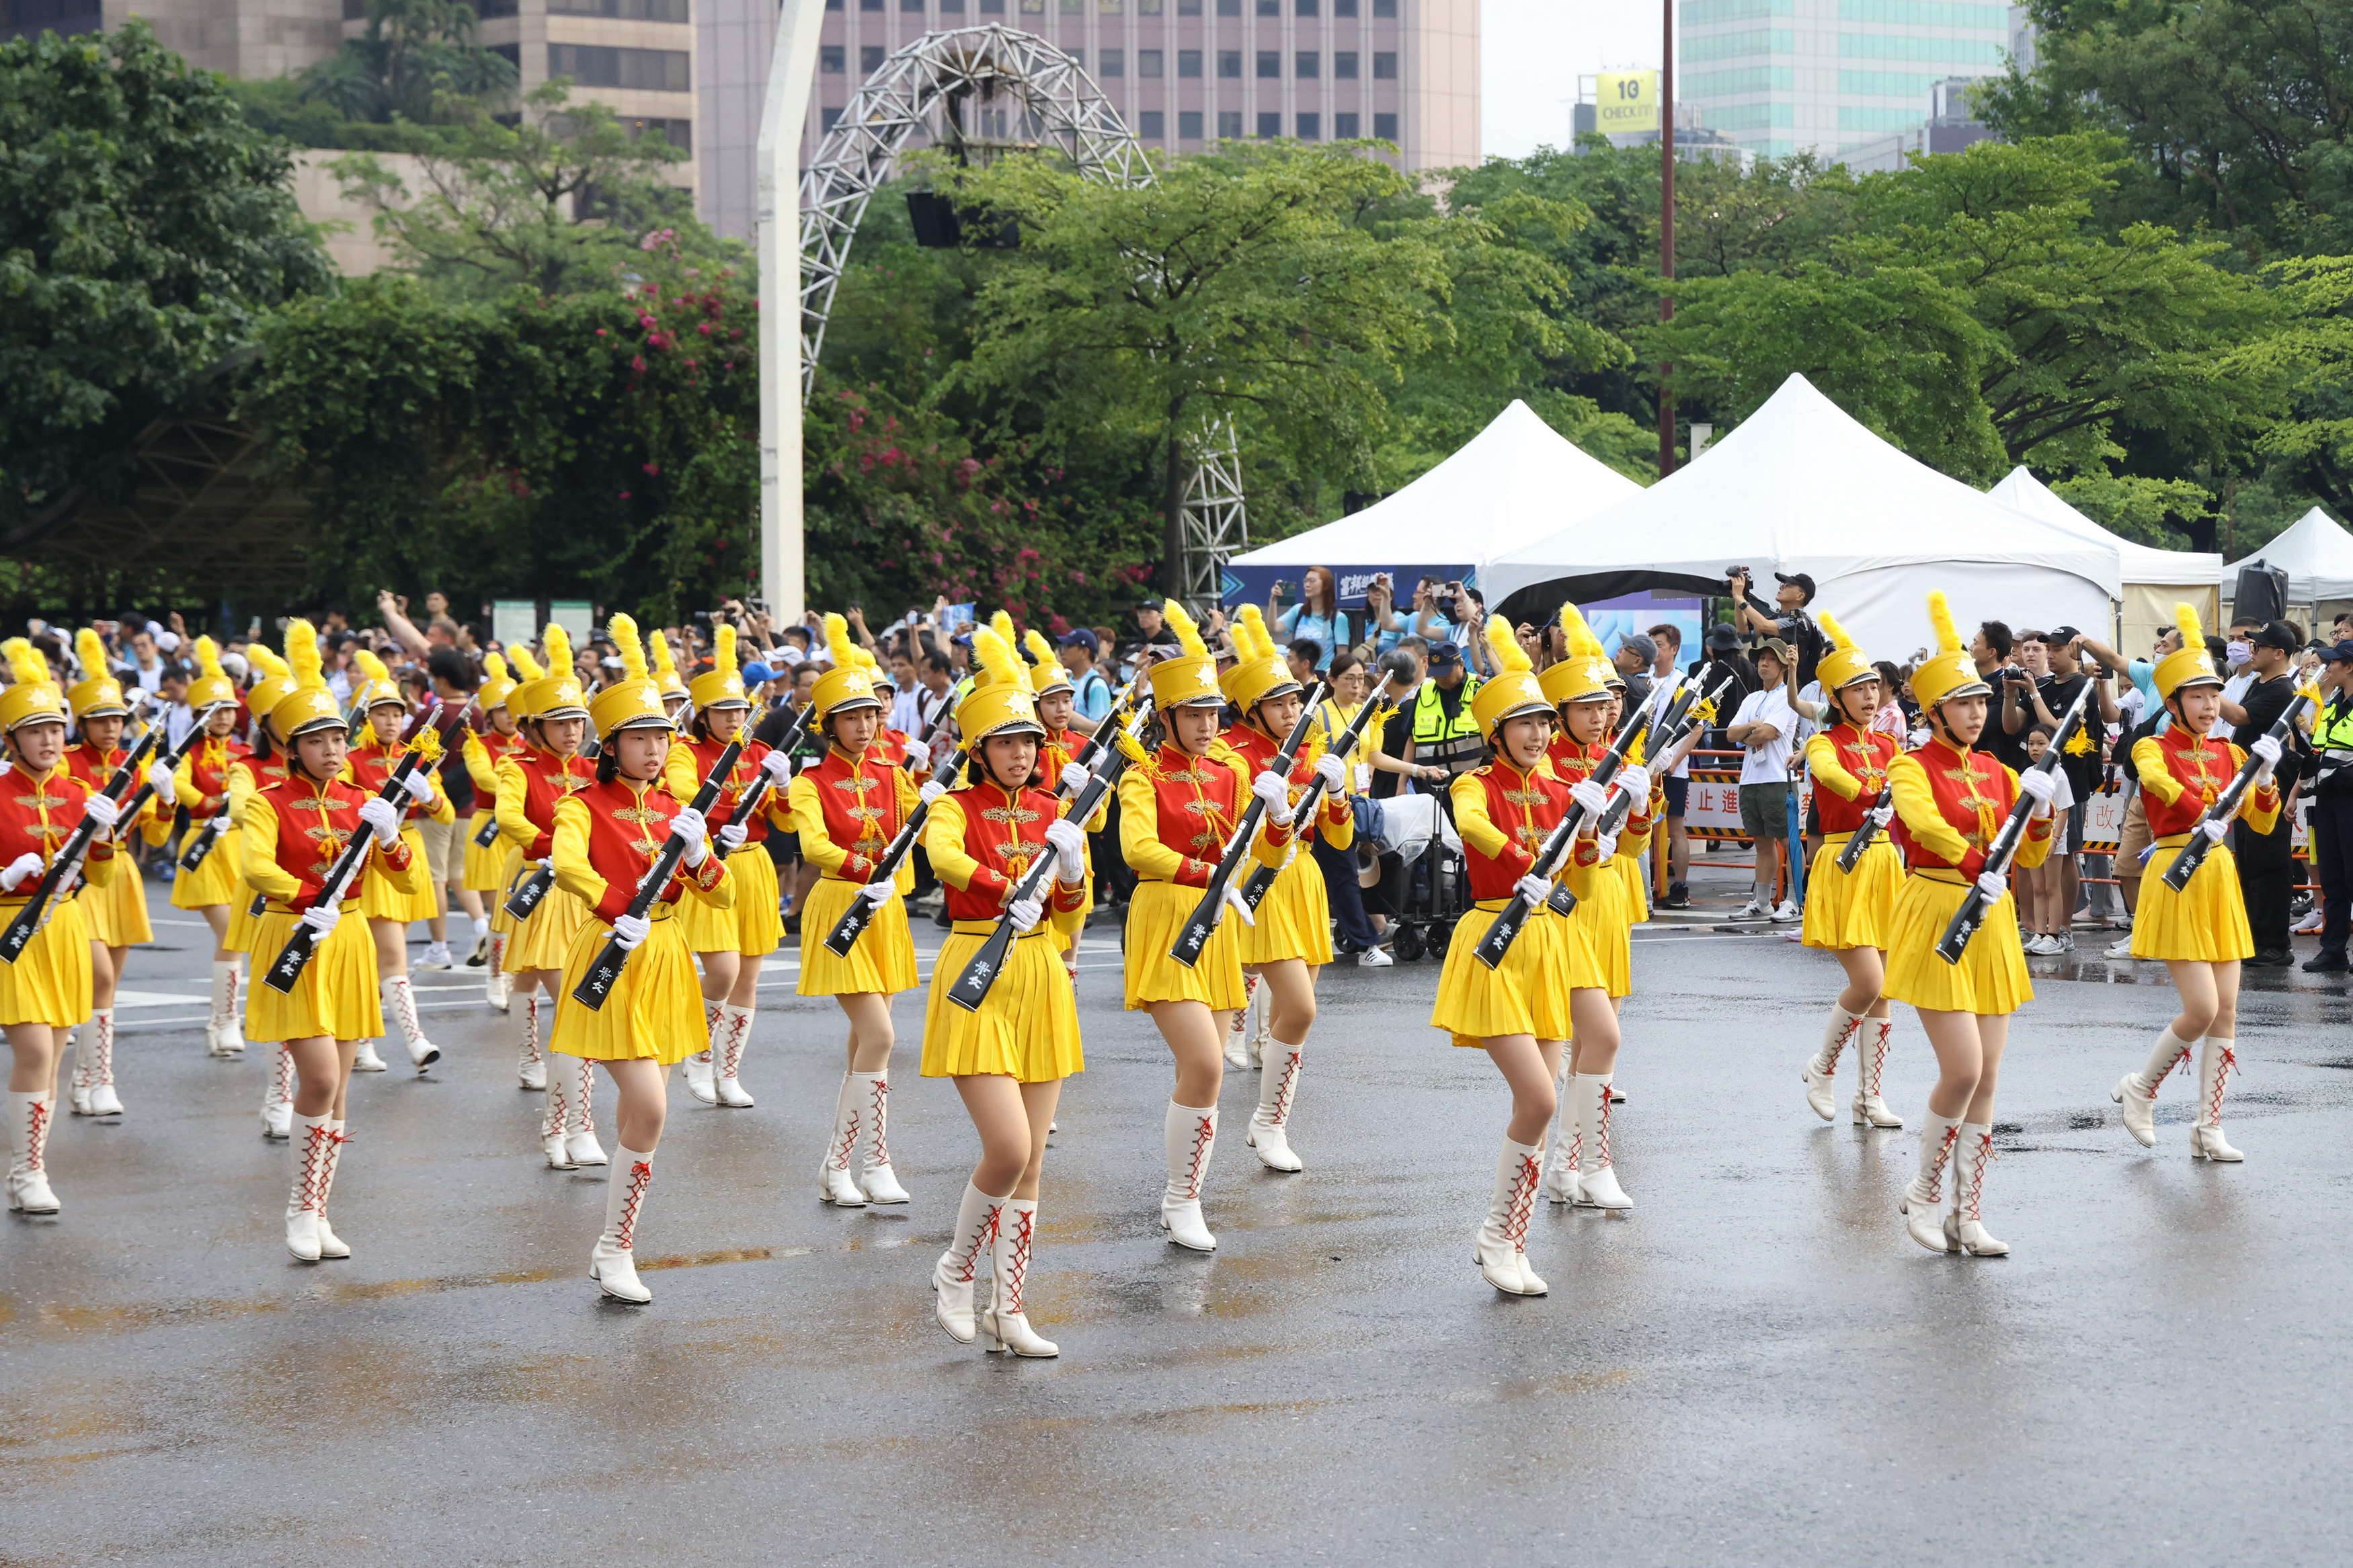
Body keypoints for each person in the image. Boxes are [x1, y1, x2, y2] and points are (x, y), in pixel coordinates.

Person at [539, 616, 731, 1303]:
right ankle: (615, 1245)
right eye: (640, 737)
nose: (654, 749)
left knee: (642, 1113)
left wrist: (703, 853)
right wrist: (615, 901)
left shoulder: (680, 809)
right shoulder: (582, 804)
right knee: (650, 1104)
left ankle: (613, 1244)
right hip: (613, 952)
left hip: (667, 953)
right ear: (611, 744)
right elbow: (565, 865)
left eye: (661, 737)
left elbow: (720, 894)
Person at [921, 627, 1089, 1356]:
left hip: (1040, 971)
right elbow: (942, 855)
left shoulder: (1054, 805)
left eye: (1027, 738)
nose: (1020, 751)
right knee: (1009, 1144)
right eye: (1004, 740)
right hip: (974, 969)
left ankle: (1008, 1307)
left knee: (1034, 1160)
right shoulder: (954, 803)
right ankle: (955, 1268)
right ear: (978, 748)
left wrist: (1074, 872)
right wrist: (998, 886)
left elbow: (1068, 912)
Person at [240, 621, 432, 1260]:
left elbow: (399, 879)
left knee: (342, 1085)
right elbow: (255, 865)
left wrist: (390, 836)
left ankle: (320, 1210)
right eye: (316, 741)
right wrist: (302, 895)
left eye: (336, 739)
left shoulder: (362, 799)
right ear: (292, 749)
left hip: (348, 938)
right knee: (318, 1077)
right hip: (294, 933)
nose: (330, 749)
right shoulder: (268, 799)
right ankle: (297, 1208)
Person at [1882, 592, 2058, 1257]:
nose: (1976, 712)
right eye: (1962, 703)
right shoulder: (1909, 764)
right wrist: (1970, 855)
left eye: (1981, 702)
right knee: (1960, 1068)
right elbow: (1921, 821)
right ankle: (1922, 1194)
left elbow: (2033, 854)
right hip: (1937, 906)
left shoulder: (1997, 768)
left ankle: (1966, 1212)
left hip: (1992, 918)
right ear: (1933, 712)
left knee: (1986, 1076)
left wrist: (2038, 812)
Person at [1116, 600, 1293, 1253]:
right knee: (1202, 1062)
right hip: (1166, 915)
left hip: (1215, 921)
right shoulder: (1141, 773)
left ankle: (1185, 1192)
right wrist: (1202, 872)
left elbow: (1263, 854)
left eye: (1212, 712)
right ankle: (1179, 1198)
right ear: (1165, 718)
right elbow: (1138, 850)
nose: (1204, 724)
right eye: (1191, 714)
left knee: (1207, 1069)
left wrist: (1275, 818)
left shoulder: (1231, 769)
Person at [1428, 618, 1585, 1293]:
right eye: (1522, 723)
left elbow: (1593, 855)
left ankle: (1509, 1240)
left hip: (1546, 943)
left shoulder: (1558, 792)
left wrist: (1620, 822)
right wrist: (1520, 857)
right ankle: (1496, 1233)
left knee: (1538, 1105)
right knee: (1539, 1097)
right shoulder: (1475, 782)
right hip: (1492, 938)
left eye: (1543, 722)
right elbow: (1468, 823)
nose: (1537, 733)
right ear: (1495, 732)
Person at [2109, 606, 2286, 1163]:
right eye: (2197, 696)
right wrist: (2202, 807)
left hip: (2218, 876)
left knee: (2227, 1010)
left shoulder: (2232, 751)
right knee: (2201, 1008)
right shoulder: (2151, 747)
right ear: (2172, 702)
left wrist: (2262, 778)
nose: (2210, 706)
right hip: (2176, 871)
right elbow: (2157, 783)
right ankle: (2141, 1087)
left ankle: (2209, 1126)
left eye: (2214, 696)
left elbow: (2261, 820)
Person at [1218, 607, 1354, 1173]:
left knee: (1292, 1018)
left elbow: (1339, 837)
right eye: (1278, 703)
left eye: (1295, 701)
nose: (1292, 711)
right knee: (1300, 1007)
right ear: (1252, 708)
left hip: (1304, 878)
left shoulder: (1306, 751)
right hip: (1259, 879)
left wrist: (1339, 791)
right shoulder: (1229, 754)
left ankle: (1272, 1120)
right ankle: (1268, 1122)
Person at [790, 619, 920, 1208]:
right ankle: (872, 1160)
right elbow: (816, 847)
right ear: (830, 726)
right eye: (851, 717)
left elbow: (927, 827)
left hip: (885, 911)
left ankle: (841, 1164)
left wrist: (943, 798)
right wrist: (869, 870)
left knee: (864, 1043)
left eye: (870, 714)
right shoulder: (810, 782)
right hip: (842, 906)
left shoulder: (895, 777)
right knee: (881, 1035)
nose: (864, 725)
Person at [1530, 606, 1653, 1210]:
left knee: (1597, 1041)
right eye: (1589, 705)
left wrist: (1638, 807)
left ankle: (1572, 1164)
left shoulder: (1618, 758)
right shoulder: (1545, 763)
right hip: (1561, 909)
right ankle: (1578, 1163)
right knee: (1583, 1042)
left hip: (1604, 897)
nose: (1604, 712)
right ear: (1559, 712)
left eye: (1607, 703)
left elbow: (1633, 847)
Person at [1, 638, 126, 1214]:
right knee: (31, 1050)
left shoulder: (80, 793)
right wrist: (5, 877)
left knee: (50, 1057)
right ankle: (28, 1172)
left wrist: (105, 835)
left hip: (65, 925)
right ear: (11, 739)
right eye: (34, 730)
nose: (49, 740)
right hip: (12, 927)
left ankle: (29, 1168)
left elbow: (97, 875)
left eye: (55, 728)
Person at [668, 622, 794, 1108]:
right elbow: (682, 795)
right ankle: (698, 1054)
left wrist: (781, 786)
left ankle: (729, 1070)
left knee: (749, 976)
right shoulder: (687, 753)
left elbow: (784, 819)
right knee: (721, 969)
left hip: (753, 864)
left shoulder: (760, 753)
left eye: (739, 709)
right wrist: (719, 824)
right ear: (703, 716)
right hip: (709, 864)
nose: (732, 718)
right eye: (722, 711)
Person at [494, 630, 602, 1165]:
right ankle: (572, 1119)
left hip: (582, 890)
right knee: (566, 999)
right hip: (540, 881)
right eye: (560, 723)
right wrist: (552, 845)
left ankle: (558, 1126)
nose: (571, 732)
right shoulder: (519, 766)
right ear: (536, 726)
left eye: (577, 722)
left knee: (564, 999)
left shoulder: (592, 770)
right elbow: (508, 816)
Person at [1797, 614, 1907, 1128]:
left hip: (1885, 862)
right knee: (1868, 980)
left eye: (1873, 687)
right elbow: (1829, 776)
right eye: (1856, 689)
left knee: (1885, 988)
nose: (1869, 696)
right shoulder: (1824, 741)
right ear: (1835, 698)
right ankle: (1822, 1066)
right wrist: (1873, 794)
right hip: (1845, 860)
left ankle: (1870, 1095)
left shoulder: (1889, 746)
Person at [58, 628, 171, 1117]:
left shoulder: (133, 762)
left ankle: (86, 1080)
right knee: (98, 974)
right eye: (100, 720)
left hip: (120, 871)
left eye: (118, 719)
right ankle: (100, 1077)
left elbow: (161, 838)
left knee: (108, 986)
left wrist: (165, 798)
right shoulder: (63, 763)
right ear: (82, 722)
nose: (111, 728)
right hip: (80, 874)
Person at [346, 651, 452, 1074]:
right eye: (381, 714)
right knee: (391, 954)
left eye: (396, 714)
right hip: (373, 857)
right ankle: (414, 1040)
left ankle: (361, 1041)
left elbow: (443, 813)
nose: (390, 721)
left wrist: (427, 795)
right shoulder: (352, 760)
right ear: (368, 718)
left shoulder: (419, 755)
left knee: (382, 957)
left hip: (409, 852)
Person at [167, 638, 251, 1064]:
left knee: (234, 936)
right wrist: (207, 802)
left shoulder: (244, 752)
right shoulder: (188, 752)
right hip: (204, 842)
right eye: (215, 711)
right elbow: (177, 784)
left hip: (238, 846)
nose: (224, 717)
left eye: (229, 710)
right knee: (231, 932)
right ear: (199, 715)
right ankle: (225, 1019)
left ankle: (221, 1018)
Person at [2233, 620, 2305, 967]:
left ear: (2279, 653)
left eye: (2258, 647)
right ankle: (2254, 938)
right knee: (2248, 862)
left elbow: (2243, 717)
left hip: (2269, 785)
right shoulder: (2257, 683)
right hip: (2246, 788)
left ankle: (2274, 944)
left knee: (2269, 864)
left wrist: (2205, 695)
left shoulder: (2281, 689)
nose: (2252, 650)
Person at [459, 653, 528, 1009]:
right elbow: (483, 777)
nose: (509, 716)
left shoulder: (530, 743)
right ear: (489, 714)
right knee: (500, 910)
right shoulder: (476, 743)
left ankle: (513, 975)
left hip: (521, 828)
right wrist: (518, 782)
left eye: (512, 709)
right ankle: (496, 975)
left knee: (520, 908)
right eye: (501, 710)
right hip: (489, 823)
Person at [1726, 639, 1798, 921]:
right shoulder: (1751, 699)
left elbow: (1768, 733)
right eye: (1761, 659)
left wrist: (1749, 732)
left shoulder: (1787, 697)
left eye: (1770, 659)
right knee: (1762, 843)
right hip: (1751, 778)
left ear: (1782, 665)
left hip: (1778, 777)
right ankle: (1762, 901)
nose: (1763, 663)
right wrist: (1750, 729)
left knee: (1787, 840)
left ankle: (1793, 899)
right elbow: (1731, 734)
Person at [2306, 641, 2353, 975]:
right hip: (2329, 800)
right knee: (2334, 878)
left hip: (2351, 800)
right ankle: (2334, 949)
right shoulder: (2334, 704)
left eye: (2334, 662)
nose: (2329, 668)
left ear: (2349, 666)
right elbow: (2319, 753)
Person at [1726, 569, 1827, 688]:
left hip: (1794, 691)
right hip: (1775, 688)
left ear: (1800, 595)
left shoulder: (1798, 619)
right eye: (1782, 584)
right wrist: (1741, 596)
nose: (1781, 587)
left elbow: (1764, 625)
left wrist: (1739, 598)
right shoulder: (1778, 617)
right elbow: (1743, 629)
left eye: (1787, 585)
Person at [1269, 567, 1351, 675]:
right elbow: (1273, 627)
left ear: (1326, 585)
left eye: (1312, 581)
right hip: (1297, 675)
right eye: (1306, 581)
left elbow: (1342, 656)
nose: (1307, 585)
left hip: (1322, 676)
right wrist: (1273, 600)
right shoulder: (1298, 610)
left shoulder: (1338, 618)